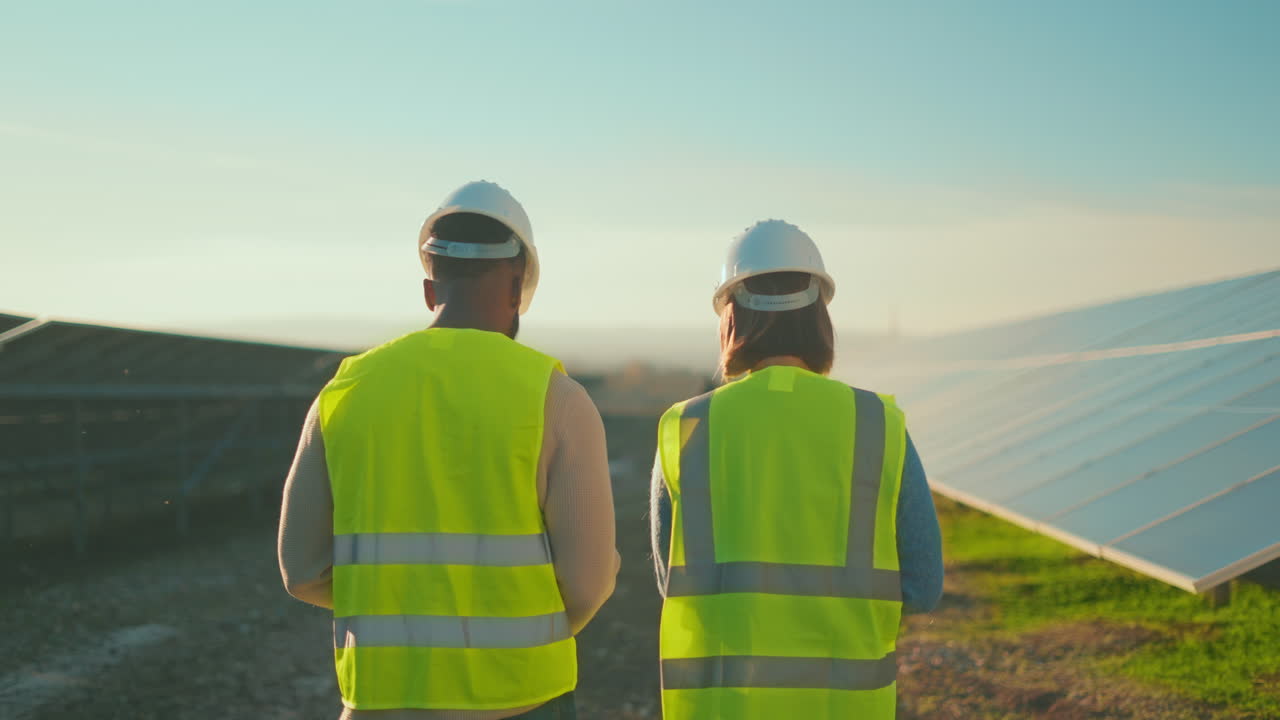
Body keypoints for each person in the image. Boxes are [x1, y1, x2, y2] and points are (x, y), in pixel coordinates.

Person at [279, 180, 620, 720]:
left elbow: (301, 570)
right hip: (523, 698)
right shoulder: (556, 398)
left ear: (429, 288)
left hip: (379, 700)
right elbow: (589, 580)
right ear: (517, 287)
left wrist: (401, 611)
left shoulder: (345, 390)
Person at [649, 220, 944, 719]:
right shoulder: (877, 424)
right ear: (820, 319)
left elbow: (670, 578)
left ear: (731, 319)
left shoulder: (686, 427)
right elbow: (922, 585)